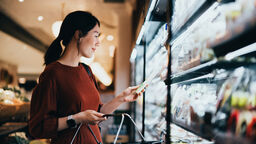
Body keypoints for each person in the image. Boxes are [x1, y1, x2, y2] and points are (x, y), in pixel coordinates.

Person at [28, 11, 142, 144]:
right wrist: (77, 118)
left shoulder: (87, 71)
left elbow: (98, 113)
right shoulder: (52, 73)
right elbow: (38, 127)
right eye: (96, 35)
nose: (98, 42)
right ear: (78, 35)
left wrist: (122, 98)